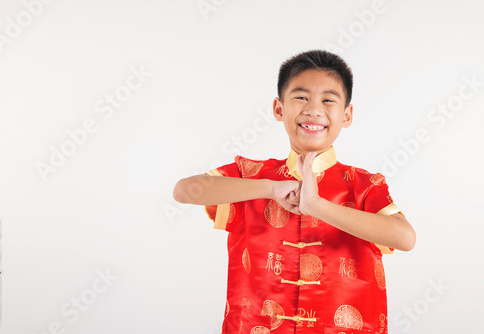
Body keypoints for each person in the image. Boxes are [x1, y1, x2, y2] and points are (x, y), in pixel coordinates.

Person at [173, 50, 416, 334]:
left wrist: (316, 205)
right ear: (279, 109)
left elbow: (405, 238)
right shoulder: (251, 175)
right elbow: (184, 191)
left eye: (328, 99)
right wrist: (270, 189)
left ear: (347, 115)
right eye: (301, 97)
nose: (314, 109)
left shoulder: (364, 184)